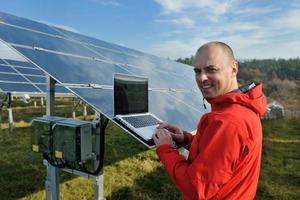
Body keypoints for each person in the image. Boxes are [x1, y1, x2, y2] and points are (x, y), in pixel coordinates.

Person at [152, 41, 267, 200]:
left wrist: (165, 149)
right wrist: (186, 139)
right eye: (197, 71)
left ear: (234, 68)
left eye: (211, 69)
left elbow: (196, 188)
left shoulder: (228, 122)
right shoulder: (241, 108)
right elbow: (221, 156)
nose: (201, 78)